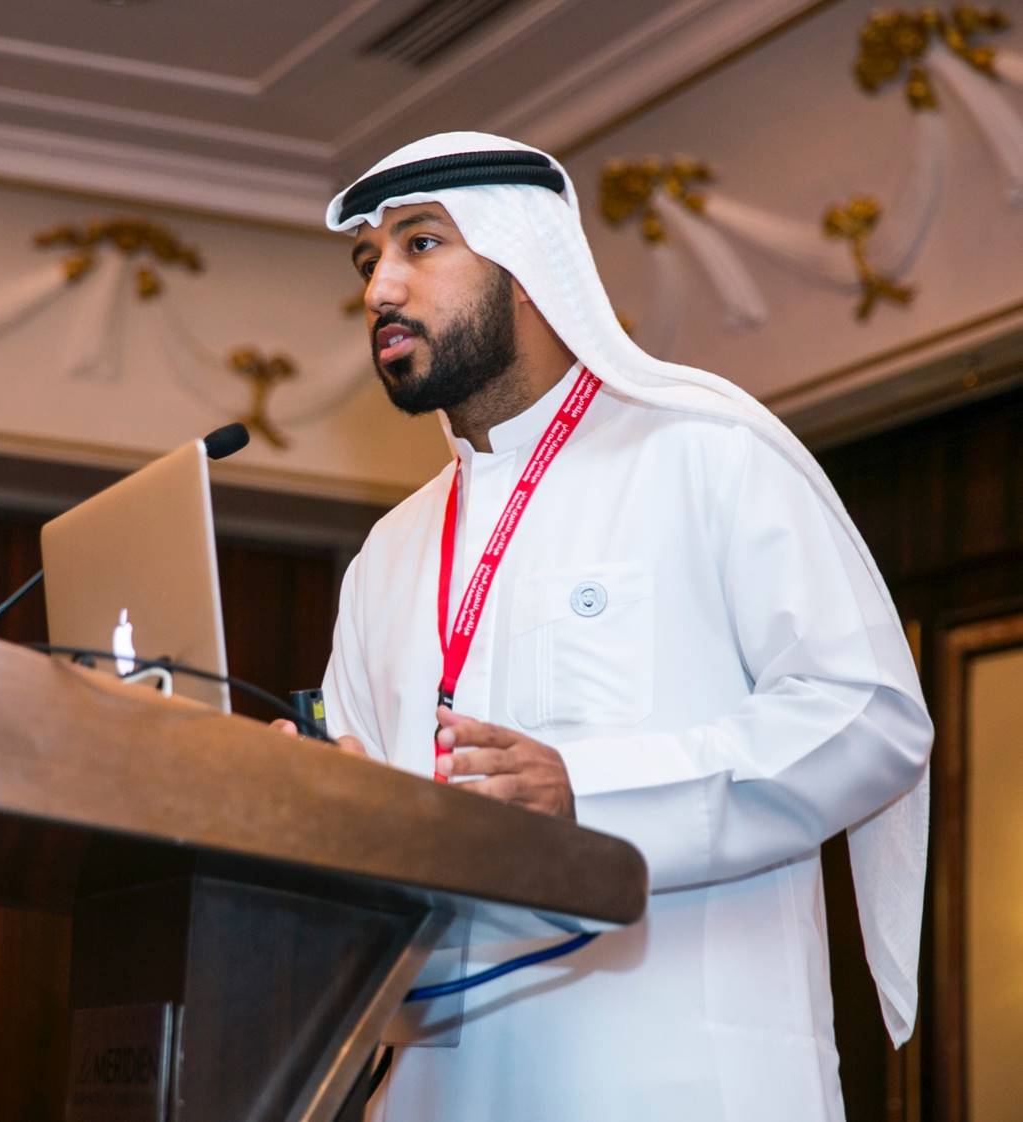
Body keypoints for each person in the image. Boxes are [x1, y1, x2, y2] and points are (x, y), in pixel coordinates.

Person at [303, 133, 933, 1121]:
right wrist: (314, 800)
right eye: (366, 261)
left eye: (421, 244)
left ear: (525, 264)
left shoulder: (706, 451)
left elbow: (870, 717)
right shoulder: (390, 551)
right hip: (435, 1086)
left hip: (674, 1079)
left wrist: (587, 791)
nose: (380, 287)